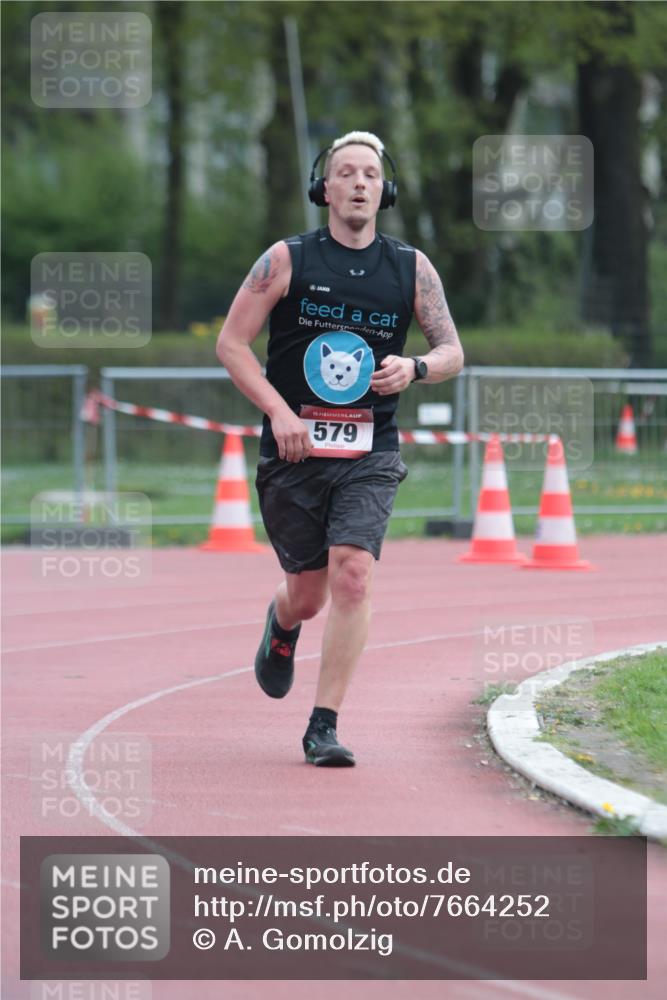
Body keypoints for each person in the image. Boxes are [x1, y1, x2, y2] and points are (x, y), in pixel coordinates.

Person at [217, 131, 464, 767]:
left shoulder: (411, 267)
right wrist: (279, 412)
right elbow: (231, 344)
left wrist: (415, 369)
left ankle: (322, 725)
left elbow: (451, 352)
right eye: (345, 173)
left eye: (370, 175)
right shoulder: (287, 259)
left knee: (353, 572)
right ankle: (282, 620)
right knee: (309, 593)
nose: (358, 183)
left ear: (385, 191)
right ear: (323, 188)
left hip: (369, 450)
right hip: (295, 453)